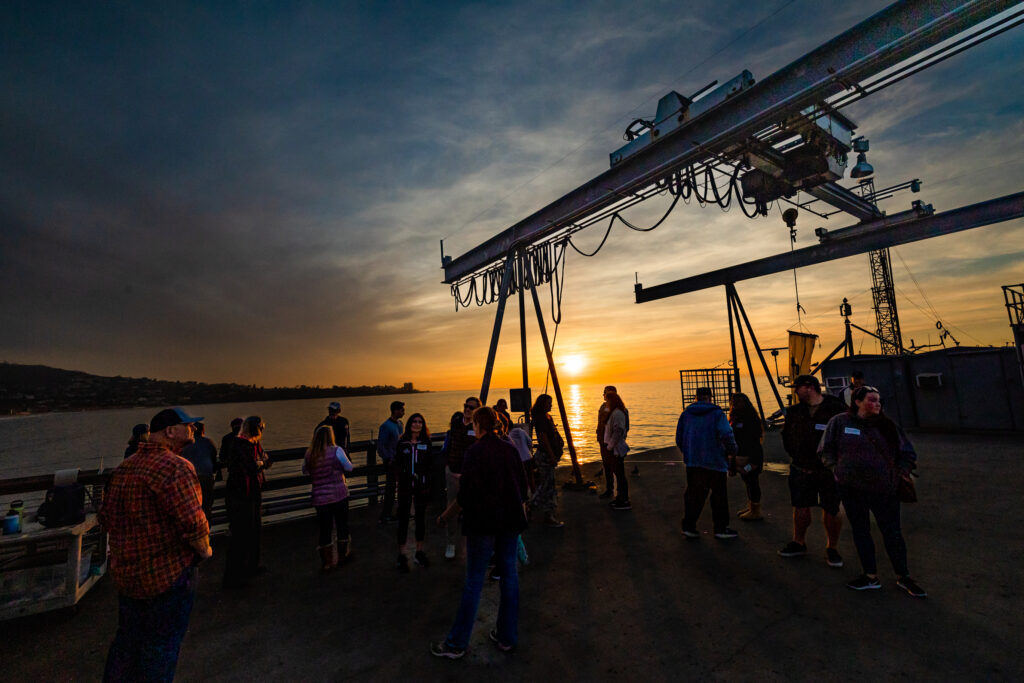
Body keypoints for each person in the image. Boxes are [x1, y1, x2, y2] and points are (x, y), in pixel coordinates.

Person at [100, 407, 211, 682]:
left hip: (129, 578)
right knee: (161, 646)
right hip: (167, 576)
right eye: (189, 425)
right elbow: (194, 524)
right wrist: (205, 551)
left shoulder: (124, 468)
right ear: (170, 431)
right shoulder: (176, 468)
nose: (194, 429)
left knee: (127, 644)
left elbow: (106, 517)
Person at [432, 407, 529, 658]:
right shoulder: (509, 449)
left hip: (482, 525)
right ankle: (507, 637)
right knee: (510, 578)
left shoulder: (474, 452)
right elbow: (522, 486)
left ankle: (456, 644)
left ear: (477, 424)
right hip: (509, 523)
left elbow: (465, 496)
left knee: (474, 581)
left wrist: (444, 517)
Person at [819, 386, 926, 597]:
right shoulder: (839, 423)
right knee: (861, 532)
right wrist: (835, 469)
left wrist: (899, 473)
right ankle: (870, 576)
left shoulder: (888, 426)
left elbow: (907, 453)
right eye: (872, 400)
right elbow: (826, 449)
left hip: (884, 489)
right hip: (852, 489)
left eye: (879, 400)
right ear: (857, 402)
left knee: (892, 533)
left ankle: (904, 576)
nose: (877, 404)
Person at [779, 374, 846, 567]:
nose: (795, 391)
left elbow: (845, 437)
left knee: (831, 508)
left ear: (809, 387)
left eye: (797, 388)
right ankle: (798, 542)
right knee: (800, 506)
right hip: (801, 467)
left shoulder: (836, 409)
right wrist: (796, 454)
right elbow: (786, 436)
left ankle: (832, 548)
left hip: (828, 471)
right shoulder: (794, 412)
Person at [676, 387, 739, 539]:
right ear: (710, 397)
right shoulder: (717, 414)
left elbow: (679, 438)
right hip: (715, 462)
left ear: (696, 397)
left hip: (693, 463)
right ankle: (720, 528)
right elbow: (727, 434)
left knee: (693, 496)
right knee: (719, 496)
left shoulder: (686, 414)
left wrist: (689, 452)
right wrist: (732, 451)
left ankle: (689, 527)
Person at [223, 416, 271, 588]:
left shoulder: (253, 444)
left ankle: (251, 566)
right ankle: (235, 576)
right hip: (241, 495)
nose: (262, 432)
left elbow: (265, 461)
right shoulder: (240, 445)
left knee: (254, 530)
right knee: (241, 535)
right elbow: (251, 466)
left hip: (253, 493)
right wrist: (261, 462)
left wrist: (261, 462)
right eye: (261, 428)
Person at [303, 424, 354, 572]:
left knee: (325, 529)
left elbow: (305, 470)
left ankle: (326, 562)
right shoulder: (336, 450)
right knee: (341, 525)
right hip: (339, 494)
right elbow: (349, 467)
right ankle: (342, 556)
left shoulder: (309, 453)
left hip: (320, 497)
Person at [443, 396, 481, 560]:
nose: (467, 409)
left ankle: (472, 544)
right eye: (466, 406)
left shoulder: (478, 427)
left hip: (469, 476)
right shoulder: (456, 420)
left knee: (472, 510)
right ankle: (451, 543)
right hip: (452, 473)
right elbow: (449, 443)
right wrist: (447, 466)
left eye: (471, 407)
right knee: (451, 508)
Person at [395, 413, 432, 573]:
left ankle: (419, 551)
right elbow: (396, 464)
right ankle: (402, 554)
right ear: (409, 424)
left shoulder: (426, 443)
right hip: (405, 487)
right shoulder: (402, 443)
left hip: (421, 487)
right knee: (403, 519)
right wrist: (403, 477)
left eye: (420, 422)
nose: (417, 424)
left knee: (420, 519)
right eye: (414, 421)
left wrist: (426, 481)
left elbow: (430, 465)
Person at [530, 393, 565, 528]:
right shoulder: (540, 419)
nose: (551, 405)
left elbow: (553, 434)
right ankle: (546, 514)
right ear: (542, 404)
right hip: (545, 456)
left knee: (546, 484)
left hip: (549, 455)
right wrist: (551, 456)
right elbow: (543, 438)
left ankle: (532, 506)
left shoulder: (547, 417)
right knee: (548, 486)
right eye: (549, 403)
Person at [729, 393, 765, 522]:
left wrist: (753, 459)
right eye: (733, 402)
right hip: (742, 455)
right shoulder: (735, 418)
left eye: (738, 401)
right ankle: (752, 507)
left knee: (752, 479)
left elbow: (754, 439)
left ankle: (756, 511)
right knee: (748, 480)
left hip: (752, 457)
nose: (735, 404)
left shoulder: (750, 418)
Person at [181, 421, 219, 523]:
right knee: (206, 505)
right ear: (203, 431)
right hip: (206, 476)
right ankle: (206, 527)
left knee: (192, 506)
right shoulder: (207, 442)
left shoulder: (185, 443)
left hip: (190, 478)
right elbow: (213, 456)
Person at [377, 400, 405, 524]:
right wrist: (387, 459)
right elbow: (381, 446)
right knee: (390, 489)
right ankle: (386, 515)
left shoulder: (400, 424)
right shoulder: (385, 426)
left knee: (402, 488)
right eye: (401, 409)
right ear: (395, 410)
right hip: (391, 462)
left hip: (400, 461)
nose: (403, 411)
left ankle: (399, 512)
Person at [604, 390, 631, 510]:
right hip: (613, 448)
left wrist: (609, 446)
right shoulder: (614, 412)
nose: (606, 402)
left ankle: (624, 500)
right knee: (618, 474)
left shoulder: (618, 413)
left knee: (620, 475)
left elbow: (618, 431)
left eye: (607, 400)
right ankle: (620, 498)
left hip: (615, 449)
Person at [596, 386, 616, 499]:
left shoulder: (617, 408)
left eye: (605, 393)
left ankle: (618, 491)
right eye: (603, 393)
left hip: (612, 441)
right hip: (602, 440)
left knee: (615, 466)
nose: (603, 395)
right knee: (606, 465)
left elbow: (623, 426)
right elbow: (600, 422)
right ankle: (610, 488)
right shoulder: (603, 406)